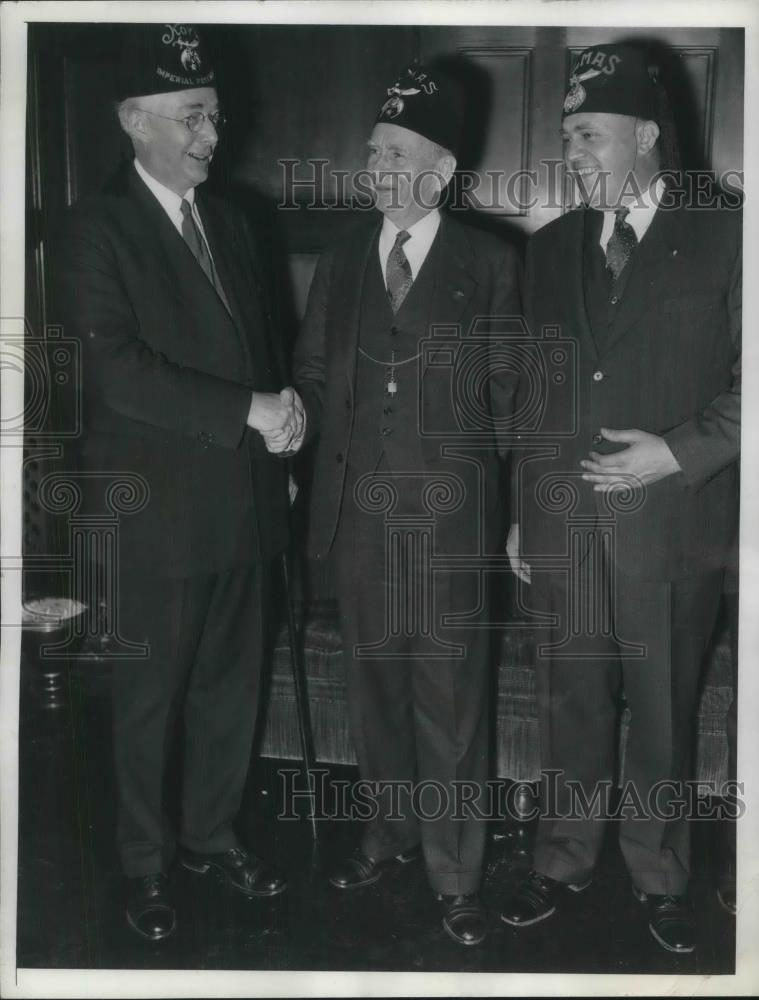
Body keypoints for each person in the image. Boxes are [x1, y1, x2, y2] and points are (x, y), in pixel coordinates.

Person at [57, 24, 304, 941]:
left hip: (242, 499)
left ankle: (211, 834)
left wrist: (280, 445)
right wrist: (251, 409)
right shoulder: (92, 229)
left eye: (214, 113)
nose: (211, 132)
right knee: (148, 699)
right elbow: (114, 370)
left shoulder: (234, 221)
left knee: (230, 689)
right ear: (134, 121)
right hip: (152, 513)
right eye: (192, 115)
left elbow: (263, 351)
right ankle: (145, 865)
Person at [502, 43, 741, 954]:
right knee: (571, 699)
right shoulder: (552, 247)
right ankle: (560, 858)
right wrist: (524, 508)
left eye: (589, 134)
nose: (574, 152)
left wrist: (672, 456)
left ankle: (664, 874)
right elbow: (537, 387)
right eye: (566, 136)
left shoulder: (728, 229)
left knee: (665, 708)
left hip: (674, 523)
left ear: (645, 134)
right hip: (563, 524)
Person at [291, 63, 521, 946]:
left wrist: (509, 515)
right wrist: (287, 435)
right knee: (374, 689)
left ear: (438, 170)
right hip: (355, 520)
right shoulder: (346, 255)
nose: (373, 167)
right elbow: (312, 369)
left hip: (450, 525)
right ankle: (387, 834)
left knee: (449, 699)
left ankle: (456, 871)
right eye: (370, 151)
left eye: (391, 152)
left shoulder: (492, 261)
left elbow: (511, 398)